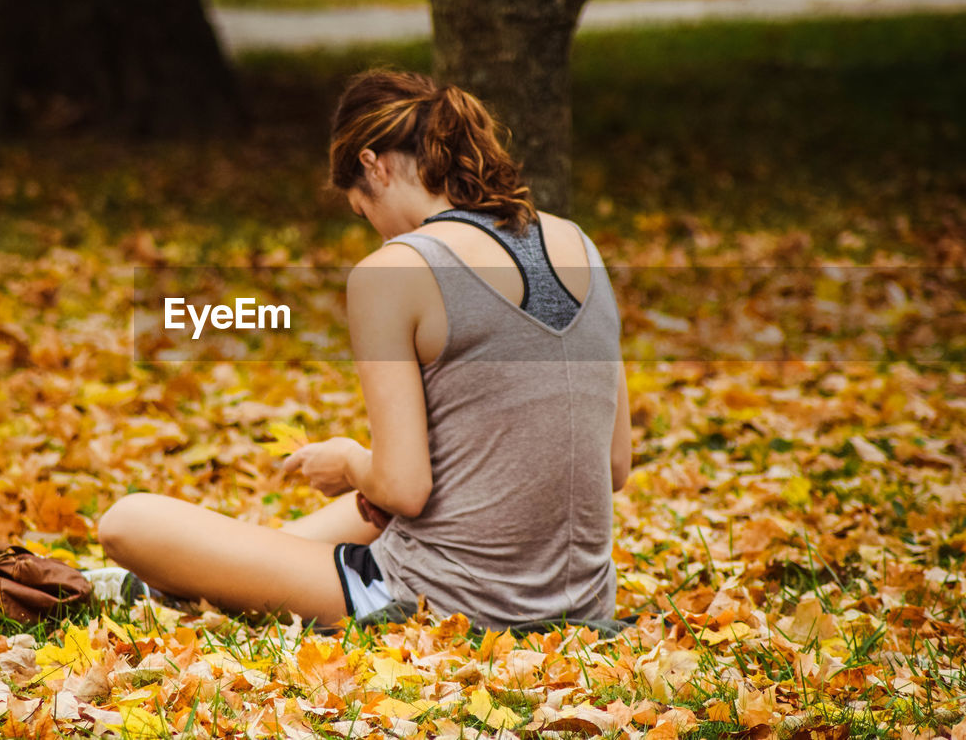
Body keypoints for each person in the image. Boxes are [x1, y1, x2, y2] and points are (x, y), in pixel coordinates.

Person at [96, 70, 632, 630]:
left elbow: (404, 487)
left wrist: (350, 461)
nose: (375, 232)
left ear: (373, 164)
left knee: (128, 521)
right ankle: (182, 584)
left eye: (362, 210)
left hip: (444, 600)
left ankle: (168, 583)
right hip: (583, 601)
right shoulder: (578, 242)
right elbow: (614, 466)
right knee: (351, 516)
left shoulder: (395, 268)